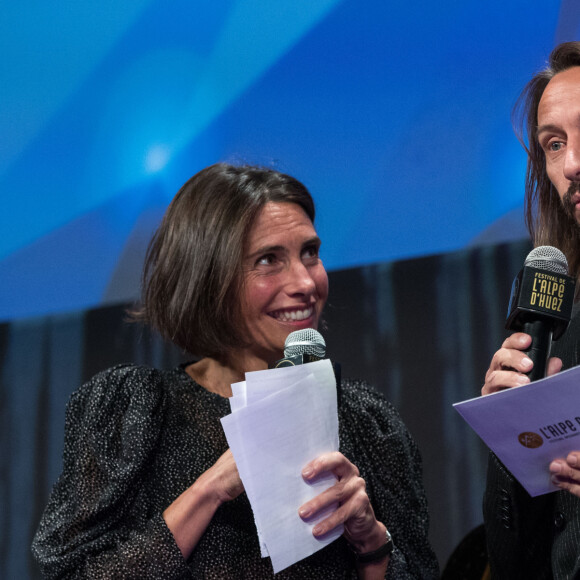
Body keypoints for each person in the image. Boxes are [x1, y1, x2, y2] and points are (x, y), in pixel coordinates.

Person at [32, 163, 438, 579]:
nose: (305, 282)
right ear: (208, 278)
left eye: (310, 253)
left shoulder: (366, 423)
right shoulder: (135, 412)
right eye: (268, 259)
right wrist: (209, 490)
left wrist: (371, 544)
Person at [482, 41, 580, 579]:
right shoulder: (561, 321)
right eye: (553, 144)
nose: (573, 164)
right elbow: (513, 562)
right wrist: (512, 438)